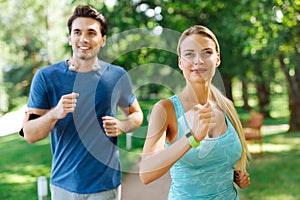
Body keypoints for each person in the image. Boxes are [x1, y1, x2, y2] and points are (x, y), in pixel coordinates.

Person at [20, 5, 143, 200]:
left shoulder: (116, 76)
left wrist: (122, 125)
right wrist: (54, 113)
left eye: (91, 33)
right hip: (64, 186)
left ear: (102, 40)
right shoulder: (46, 77)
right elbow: (29, 133)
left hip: (105, 186)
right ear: (70, 38)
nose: (83, 39)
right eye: (77, 32)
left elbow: (136, 114)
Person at [139, 25, 250, 199]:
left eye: (206, 52)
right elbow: (146, 173)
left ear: (217, 59)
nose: (198, 60)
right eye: (189, 54)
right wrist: (192, 138)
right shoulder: (165, 110)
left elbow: (219, 161)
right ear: (180, 61)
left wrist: (235, 175)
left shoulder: (226, 105)